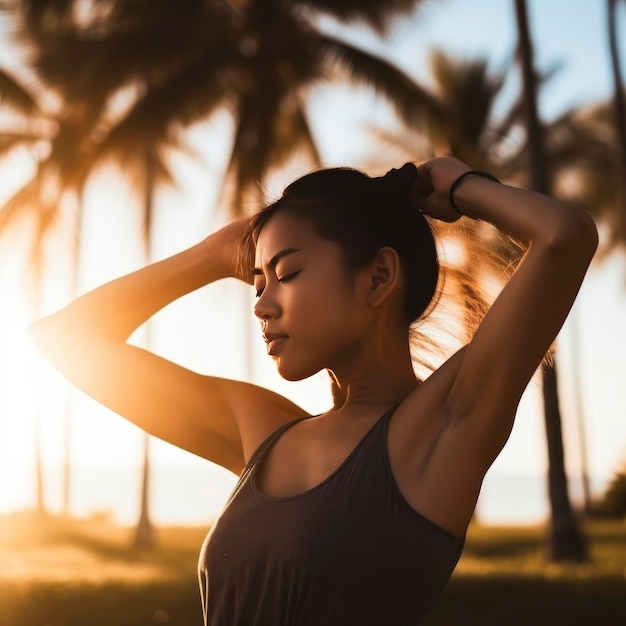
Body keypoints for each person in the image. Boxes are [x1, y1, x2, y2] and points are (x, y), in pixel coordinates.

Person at [29, 156, 598, 625]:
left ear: (377, 277)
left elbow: (563, 236)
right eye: (257, 281)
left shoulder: (443, 426)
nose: (261, 303)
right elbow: (68, 340)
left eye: (289, 273)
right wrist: (215, 252)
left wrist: (460, 187)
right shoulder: (262, 430)